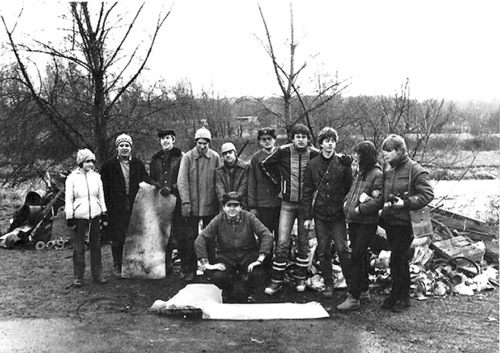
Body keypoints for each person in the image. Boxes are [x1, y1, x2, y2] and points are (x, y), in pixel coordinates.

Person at [259, 123, 319, 295]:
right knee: (283, 241)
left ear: (308, 139)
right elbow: (265, 165)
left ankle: (300, 277)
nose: (301, 140)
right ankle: (276, 280)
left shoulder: (314, 153)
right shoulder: (283, 151)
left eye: (304, 137)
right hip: (286, 203)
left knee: (303, 241)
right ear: (292, 138)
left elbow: (329, 161)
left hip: (306, 205)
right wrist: (280, 183)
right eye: (297, 136)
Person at [379, 134, 434, 312]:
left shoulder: (415, 170)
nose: (384, 154)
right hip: (390, 222)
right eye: (383, 150)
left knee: (396, 260)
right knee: (400, 260)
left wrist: (407, 203)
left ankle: (397, 296)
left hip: (406, 223)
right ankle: (402, 298)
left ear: (399, 151)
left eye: (389, 151)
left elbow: (427, 194)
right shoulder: (389, 169)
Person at [301, 127, 353, 299]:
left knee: (343, 249)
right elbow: (307, 191)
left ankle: (352, 285)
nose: (330, 144)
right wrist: (307, 217)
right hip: (320, 214)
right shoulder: (312, 164)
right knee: (323, 251)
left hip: (338, 214)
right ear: (320, 143)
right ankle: (328, 284)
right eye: (326, 140)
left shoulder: (343, 163)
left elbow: (349, 188)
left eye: (333, 140)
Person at [194, 192, 274, 302]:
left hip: (247, 255)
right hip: (227, 257)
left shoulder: (249, 217)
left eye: (236, 206)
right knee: (218, 276)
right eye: (229, 206)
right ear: (224, 207)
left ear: (241, 207)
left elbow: (267, 235)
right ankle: (228, 289)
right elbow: (200, 239)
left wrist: (260, 259)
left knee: (258, 273)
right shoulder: (218, 219)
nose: (232, 209)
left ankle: (248, 290)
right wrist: (206, 264)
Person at [101, 133, 158, 275]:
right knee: (118, 236)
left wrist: (154, 184)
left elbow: (145, 178)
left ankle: (134, 263)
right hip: (116, 205)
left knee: (135, 234)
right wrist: (106, 208)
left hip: (135, 204)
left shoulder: (137, 164)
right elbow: (104, 188)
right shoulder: (108, 166)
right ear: (117, 148)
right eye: (121, 145)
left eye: (127, 145)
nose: (124, 148)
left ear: (131, 148)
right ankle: (118, 264)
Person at [337, 141, 383, 310]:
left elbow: (378, 200)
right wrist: (346, 204)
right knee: (361, 256)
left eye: (358, 154)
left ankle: (353, 297)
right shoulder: (360, 172)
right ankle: (363, 290)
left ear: (366, 156)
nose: (355, 157)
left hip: (366, 222)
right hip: (355, 221)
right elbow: (352, 192)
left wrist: (359, 209)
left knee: (356, 256)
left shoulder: (377, 174)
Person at [149, 129, 191, 278]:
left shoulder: (181, 157)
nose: (165, 141)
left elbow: (185, 177)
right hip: (161, 201)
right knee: (162, 234)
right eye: (162, 139)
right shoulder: (155, 159)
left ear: (173, 140)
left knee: (181, 234)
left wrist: (172, 187)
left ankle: (185, 268)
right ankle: (164, 266)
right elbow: (151, 178)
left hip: (177, 200)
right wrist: (158, 186)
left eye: (168, 138)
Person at [178, 127, 221, 267]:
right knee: (190, 237)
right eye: (200, 143)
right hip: (192, 204)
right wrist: (185, 202)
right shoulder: (188, 157)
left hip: (210, 204)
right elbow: (182, 181)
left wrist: (219, 203)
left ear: (209, 143)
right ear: (196, 142)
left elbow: (219, 180)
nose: (202, 146)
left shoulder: (215, 157)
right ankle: (190, 268)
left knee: (210, 236)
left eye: (205, 143)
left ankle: (211, 266)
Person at [65, 148, 107, 287]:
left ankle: (97, 275)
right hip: (79, 217)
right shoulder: (72, 178)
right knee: (79, 248)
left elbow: (100, 195)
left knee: (96, 246)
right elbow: (69, 199)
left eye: (92, 162)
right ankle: (78, 277)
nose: (90, 164)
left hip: (94, 215)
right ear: (81, 162)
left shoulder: (96, 177)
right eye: (87, 161)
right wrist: (70, 216)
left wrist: (103, 211)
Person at [247, 127, 281, 242]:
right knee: (265, 236)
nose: (267, 141)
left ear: (274, 139)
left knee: (281, 235)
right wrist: (252, 205)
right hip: (263, 205)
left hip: (279, 203)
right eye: (263, 139)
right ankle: (266, 259)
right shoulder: (256, 158)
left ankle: (280, 259)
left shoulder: (280, 154)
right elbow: (252, 182)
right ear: (259, 141)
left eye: (269, 139)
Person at [215, 142, 249, 209]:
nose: (228, 155)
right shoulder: (219, 171)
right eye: (225, 153)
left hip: (241, 204)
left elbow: (243, 187)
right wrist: (226, 203)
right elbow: (220, 189)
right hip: (225, 206)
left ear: (235, 153)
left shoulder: (245, 168)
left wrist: (235, 202)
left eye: (230, 152)